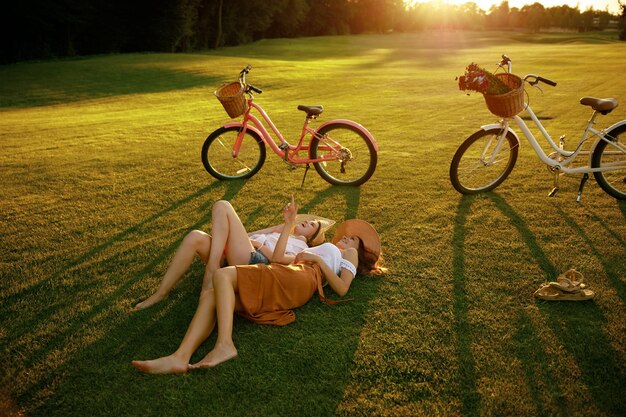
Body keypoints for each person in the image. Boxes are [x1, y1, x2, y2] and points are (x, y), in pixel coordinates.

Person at [131, 199, 384, 374]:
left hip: (303, 276)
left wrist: (318, 260)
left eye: (354, 239)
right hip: (289, 273)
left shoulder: (346, 254)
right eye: (347, 236)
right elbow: (276, 258)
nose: (347, 239)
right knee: (212, 295)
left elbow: (341, 289)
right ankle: (179, 357)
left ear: (360, 250)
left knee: (221, 277)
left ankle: (225, 345)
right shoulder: (316, 249)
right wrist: (288, 226)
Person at [133, 198, 334, 310]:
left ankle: (211, 269)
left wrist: (258, 245)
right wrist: (281, 226)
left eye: (312, 226)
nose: (307, 222)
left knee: (223, 205)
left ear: (313, 237)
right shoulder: (282, 230)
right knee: (195, 236)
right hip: (242, 251)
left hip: (255, 261)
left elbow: (278, 260)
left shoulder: (302, 246)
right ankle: (161, 293)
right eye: (307, 220)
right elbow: (247, 235)